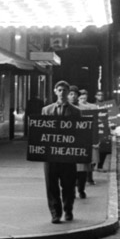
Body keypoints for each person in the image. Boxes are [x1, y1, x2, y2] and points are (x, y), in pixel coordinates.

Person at [42, 82, 82, 224]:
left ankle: (68, 210)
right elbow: (41, 131)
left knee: (68, 184)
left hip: (68, 155)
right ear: (55, 92)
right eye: (59, 90)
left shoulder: (75, 111)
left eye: (65, 90)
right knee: (51, 185)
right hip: (51, 154)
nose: (62, 93)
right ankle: (55, 213)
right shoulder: (46, 110)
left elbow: (79, 133)